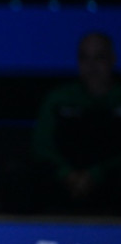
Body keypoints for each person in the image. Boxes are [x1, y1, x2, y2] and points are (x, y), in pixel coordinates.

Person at [32, 31, 121, 216]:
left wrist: (95, 175)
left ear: (112, 59)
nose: (92, 66)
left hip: (112, 181)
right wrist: (67, 175)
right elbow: (42, 147)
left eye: (99, 57)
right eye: (84, 58)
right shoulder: (59, 98)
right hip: (64, 183)